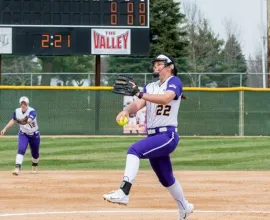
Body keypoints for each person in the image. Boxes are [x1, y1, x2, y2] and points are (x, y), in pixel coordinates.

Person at [103, 54, 194, 220]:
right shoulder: (150, 86)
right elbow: (137, 104)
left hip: (167, 135)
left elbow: (166, 98)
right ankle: (184, 207)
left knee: (134, 150)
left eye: (159, 64)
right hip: (154, 135)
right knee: (166, 178)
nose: (155, 66)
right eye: (155, 64)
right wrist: (126, 111)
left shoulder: (174, 82)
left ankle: (124, 191)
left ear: (170, 66)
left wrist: (140, 94)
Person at [0, 96, 40, 176]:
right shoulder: (17, 111)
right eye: (22, 103)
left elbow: (29, 120)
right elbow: (13, 120)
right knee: (21, 149)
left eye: (25, 103)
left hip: (34, 134)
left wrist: (24, 120)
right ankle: (17, 168)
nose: (23, 105)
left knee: (35, 153)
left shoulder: (32, 111)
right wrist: (5, 129)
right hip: (23, 134)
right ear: (20, 104)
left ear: (27, 104)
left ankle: (34, 166)